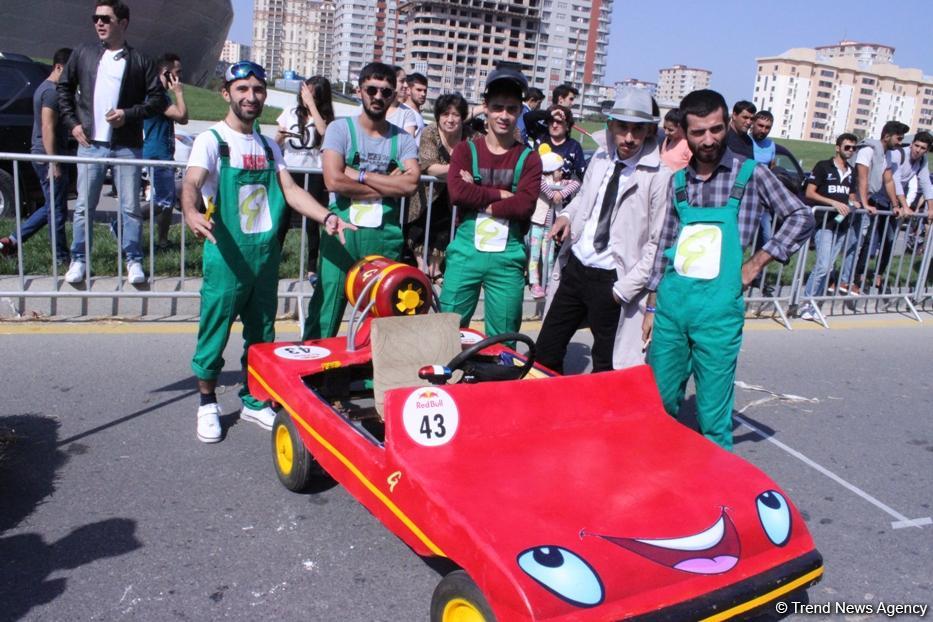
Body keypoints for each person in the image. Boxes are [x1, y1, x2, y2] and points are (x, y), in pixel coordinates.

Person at [180, 61, 353, 443]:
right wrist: (190, 211)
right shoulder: (212, 140)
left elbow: (290, 191)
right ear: (227, 93)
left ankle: (254, 398)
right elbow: (192, 182)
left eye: (258, 89)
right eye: (242, 89)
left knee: (262, 334)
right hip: (226, 256)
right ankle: (207, 402)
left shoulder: (267, 145)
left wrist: (326, 217)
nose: (251, 96)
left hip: (264, 256)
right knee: (215, 331)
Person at [643, 89, 814, 450]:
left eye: (716, 129)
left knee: (713, 417)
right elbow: (665, 247)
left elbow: (800, 217)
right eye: (698, 132)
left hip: (719, 314)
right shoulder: (678, 182)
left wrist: (756, 263)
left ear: (728, 124)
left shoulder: (751, 175)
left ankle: (717, 497)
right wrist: (652, 305)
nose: (708, 140)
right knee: (657, 405)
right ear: (684, 134)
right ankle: (658, 481)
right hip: (673, 308)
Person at [536, 88, 670, 373]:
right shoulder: (601, 158)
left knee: (607, 367)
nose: (629, 138)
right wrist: (567, 217)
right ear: (610, 125)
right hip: (576, 268)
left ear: (649, 131)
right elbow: (585, 199)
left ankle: (600, 417)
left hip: (613, 280)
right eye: (623, 127)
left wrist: (621, 291)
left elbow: (657, 245)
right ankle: (550, 413)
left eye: (638, 129)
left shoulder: (659, 177)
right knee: (545, 352)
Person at [302, 62, 420, 340]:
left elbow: (411, 184)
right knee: (326, 310)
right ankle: (315, 371)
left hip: (383, 240)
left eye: (386, 91)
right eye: (372, 89)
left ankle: (369, 377)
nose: (378, 96)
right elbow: (334, 180)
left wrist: (359, 175)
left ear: (394, 96)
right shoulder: (339, 130)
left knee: (380, 317)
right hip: (341, 237)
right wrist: (389, 185)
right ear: (360, 90)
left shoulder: (402, 139)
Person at [58, 0, 165, 285]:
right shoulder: (83, 53)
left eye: (106, 18)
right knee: (83, 206)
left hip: (127, 144)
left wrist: (127, 114)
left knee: (130, 206)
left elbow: (156, 101)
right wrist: (73, 124)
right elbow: (64, 89)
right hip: (91, 142)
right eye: (96, 18)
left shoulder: (140, 60)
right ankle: (79, 259)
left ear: (123, 23)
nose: (99, 23)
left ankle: (134, 260)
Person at [441, 68, 542, 338]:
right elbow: (457, 194)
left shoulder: (529, 158)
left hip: (508, 258)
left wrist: (478, 193)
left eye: (511, 109)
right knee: (447, 329)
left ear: (520, 110)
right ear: (485, 108)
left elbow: (525, 206)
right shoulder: (466, 149)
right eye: (497, 108)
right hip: (465, 253)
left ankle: (500, 378)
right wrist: (500, 195)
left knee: (504, 337)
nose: (504, 116)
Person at [0, 48, 73, 263]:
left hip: (44, 154)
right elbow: (47, 127)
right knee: (56, 211)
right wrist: (54, 162)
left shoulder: (45, 89)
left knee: (52, 206)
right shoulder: (51, 92)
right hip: (47, 156)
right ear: (59, 67)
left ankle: (10, 242)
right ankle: (60, 258)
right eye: (70, 72)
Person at [406, 92, 472, 279]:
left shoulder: (471, 136)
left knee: (445, 230)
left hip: (454, 195)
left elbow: (478, 163)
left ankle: (436, 269)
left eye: (455, 115)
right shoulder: (430, 132)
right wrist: (458, 170)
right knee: (418, 228)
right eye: (445, 114)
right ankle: (421, 266)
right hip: (427, 192)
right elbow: (429, 166)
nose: (450, 120)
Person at [275, 75, 334, 277]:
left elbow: (323, 130)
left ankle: (311, 268)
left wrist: (312, 106)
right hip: (290, 171)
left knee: (311, 223)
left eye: (311, 94)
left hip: (313, 173)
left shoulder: (324, 116)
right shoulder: (289, 113)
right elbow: (276, 142)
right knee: (281, 219)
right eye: (304, 92)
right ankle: (273, 261)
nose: (305, 97)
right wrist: (280, 137)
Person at [797, 133, 861, 321]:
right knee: (823, 266)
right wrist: (832, 203)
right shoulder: (823, 166)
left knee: (829, 266)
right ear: (838, 147)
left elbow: (850, 195)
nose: (850, 151)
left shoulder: (851, 171)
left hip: (842, 224)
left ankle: (814, 303)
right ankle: (806, 303)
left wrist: (853, 203)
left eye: (853, 148)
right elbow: (810, 192)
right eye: (847, 147)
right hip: (824, 222)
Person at [848, 121, 908, 295]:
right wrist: (865, 203)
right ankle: (845, 279)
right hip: (856, 201)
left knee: (865, 242)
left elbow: (888, 181)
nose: (899, 143)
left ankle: (855, 278)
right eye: (898, 138)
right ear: (887, 136)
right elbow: (862, 178)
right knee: (852, 242)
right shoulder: (869, 150)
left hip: (868, 201)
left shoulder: (886, 155)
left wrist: (895, 205)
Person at [143, 52, 187, 249]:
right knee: (164, 201)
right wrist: (179, 93)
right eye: (177, 73)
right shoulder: (157, 96)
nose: (179, 77)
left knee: (167, 201)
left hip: (164, 152)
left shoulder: (162, 94)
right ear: (166, 73)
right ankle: (121, 223)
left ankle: (162, 239)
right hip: (157, 154)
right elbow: (182, 117)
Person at [527, 148, 576, 300]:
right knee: (534, 255)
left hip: (550, 226)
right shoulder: (540, 180)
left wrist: (560, 193)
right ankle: (534, 283)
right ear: (549, 169)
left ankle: (548, 283)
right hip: (536, 223)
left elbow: (575, 184)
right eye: (559, 170)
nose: (562, 173)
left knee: (548, 257)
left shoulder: (560, 183)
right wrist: (553, 193)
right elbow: (544, 188)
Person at [527, 105, 587, 183]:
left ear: (567, 126)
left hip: (561, 192)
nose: (554, 125)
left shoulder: (574, 146)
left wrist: (565, 182)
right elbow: (527, 118)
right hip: (536, 191)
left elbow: (581, 174)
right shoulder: (540, 136)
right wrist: (548, 114)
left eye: (559, 122)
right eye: (551, 121)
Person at [386, 65, 417, 137]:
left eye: (405, 81)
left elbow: (408, 143)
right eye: (402, 81)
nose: (406, 85)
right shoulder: (370, 108)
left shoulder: (407, 113)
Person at [401, 72, 428, 140]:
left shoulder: (416, 113)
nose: (423, 94)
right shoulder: (404, 112)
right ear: (408, 90)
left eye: (425, 91)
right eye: (419, 90)